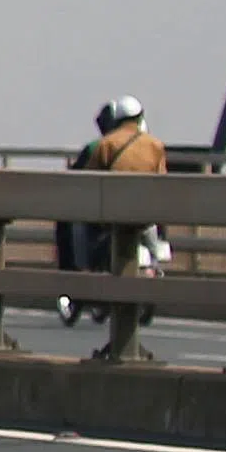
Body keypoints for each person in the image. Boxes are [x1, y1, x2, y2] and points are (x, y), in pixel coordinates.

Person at [58, 94, 166, 323]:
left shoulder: (105, 145)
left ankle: (81, 275)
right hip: (146, 216)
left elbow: (88, 181)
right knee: (155, 244)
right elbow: (162, 181)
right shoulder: (156, 146)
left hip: (111, 215)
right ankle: (155, 265)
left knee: (76, 227)